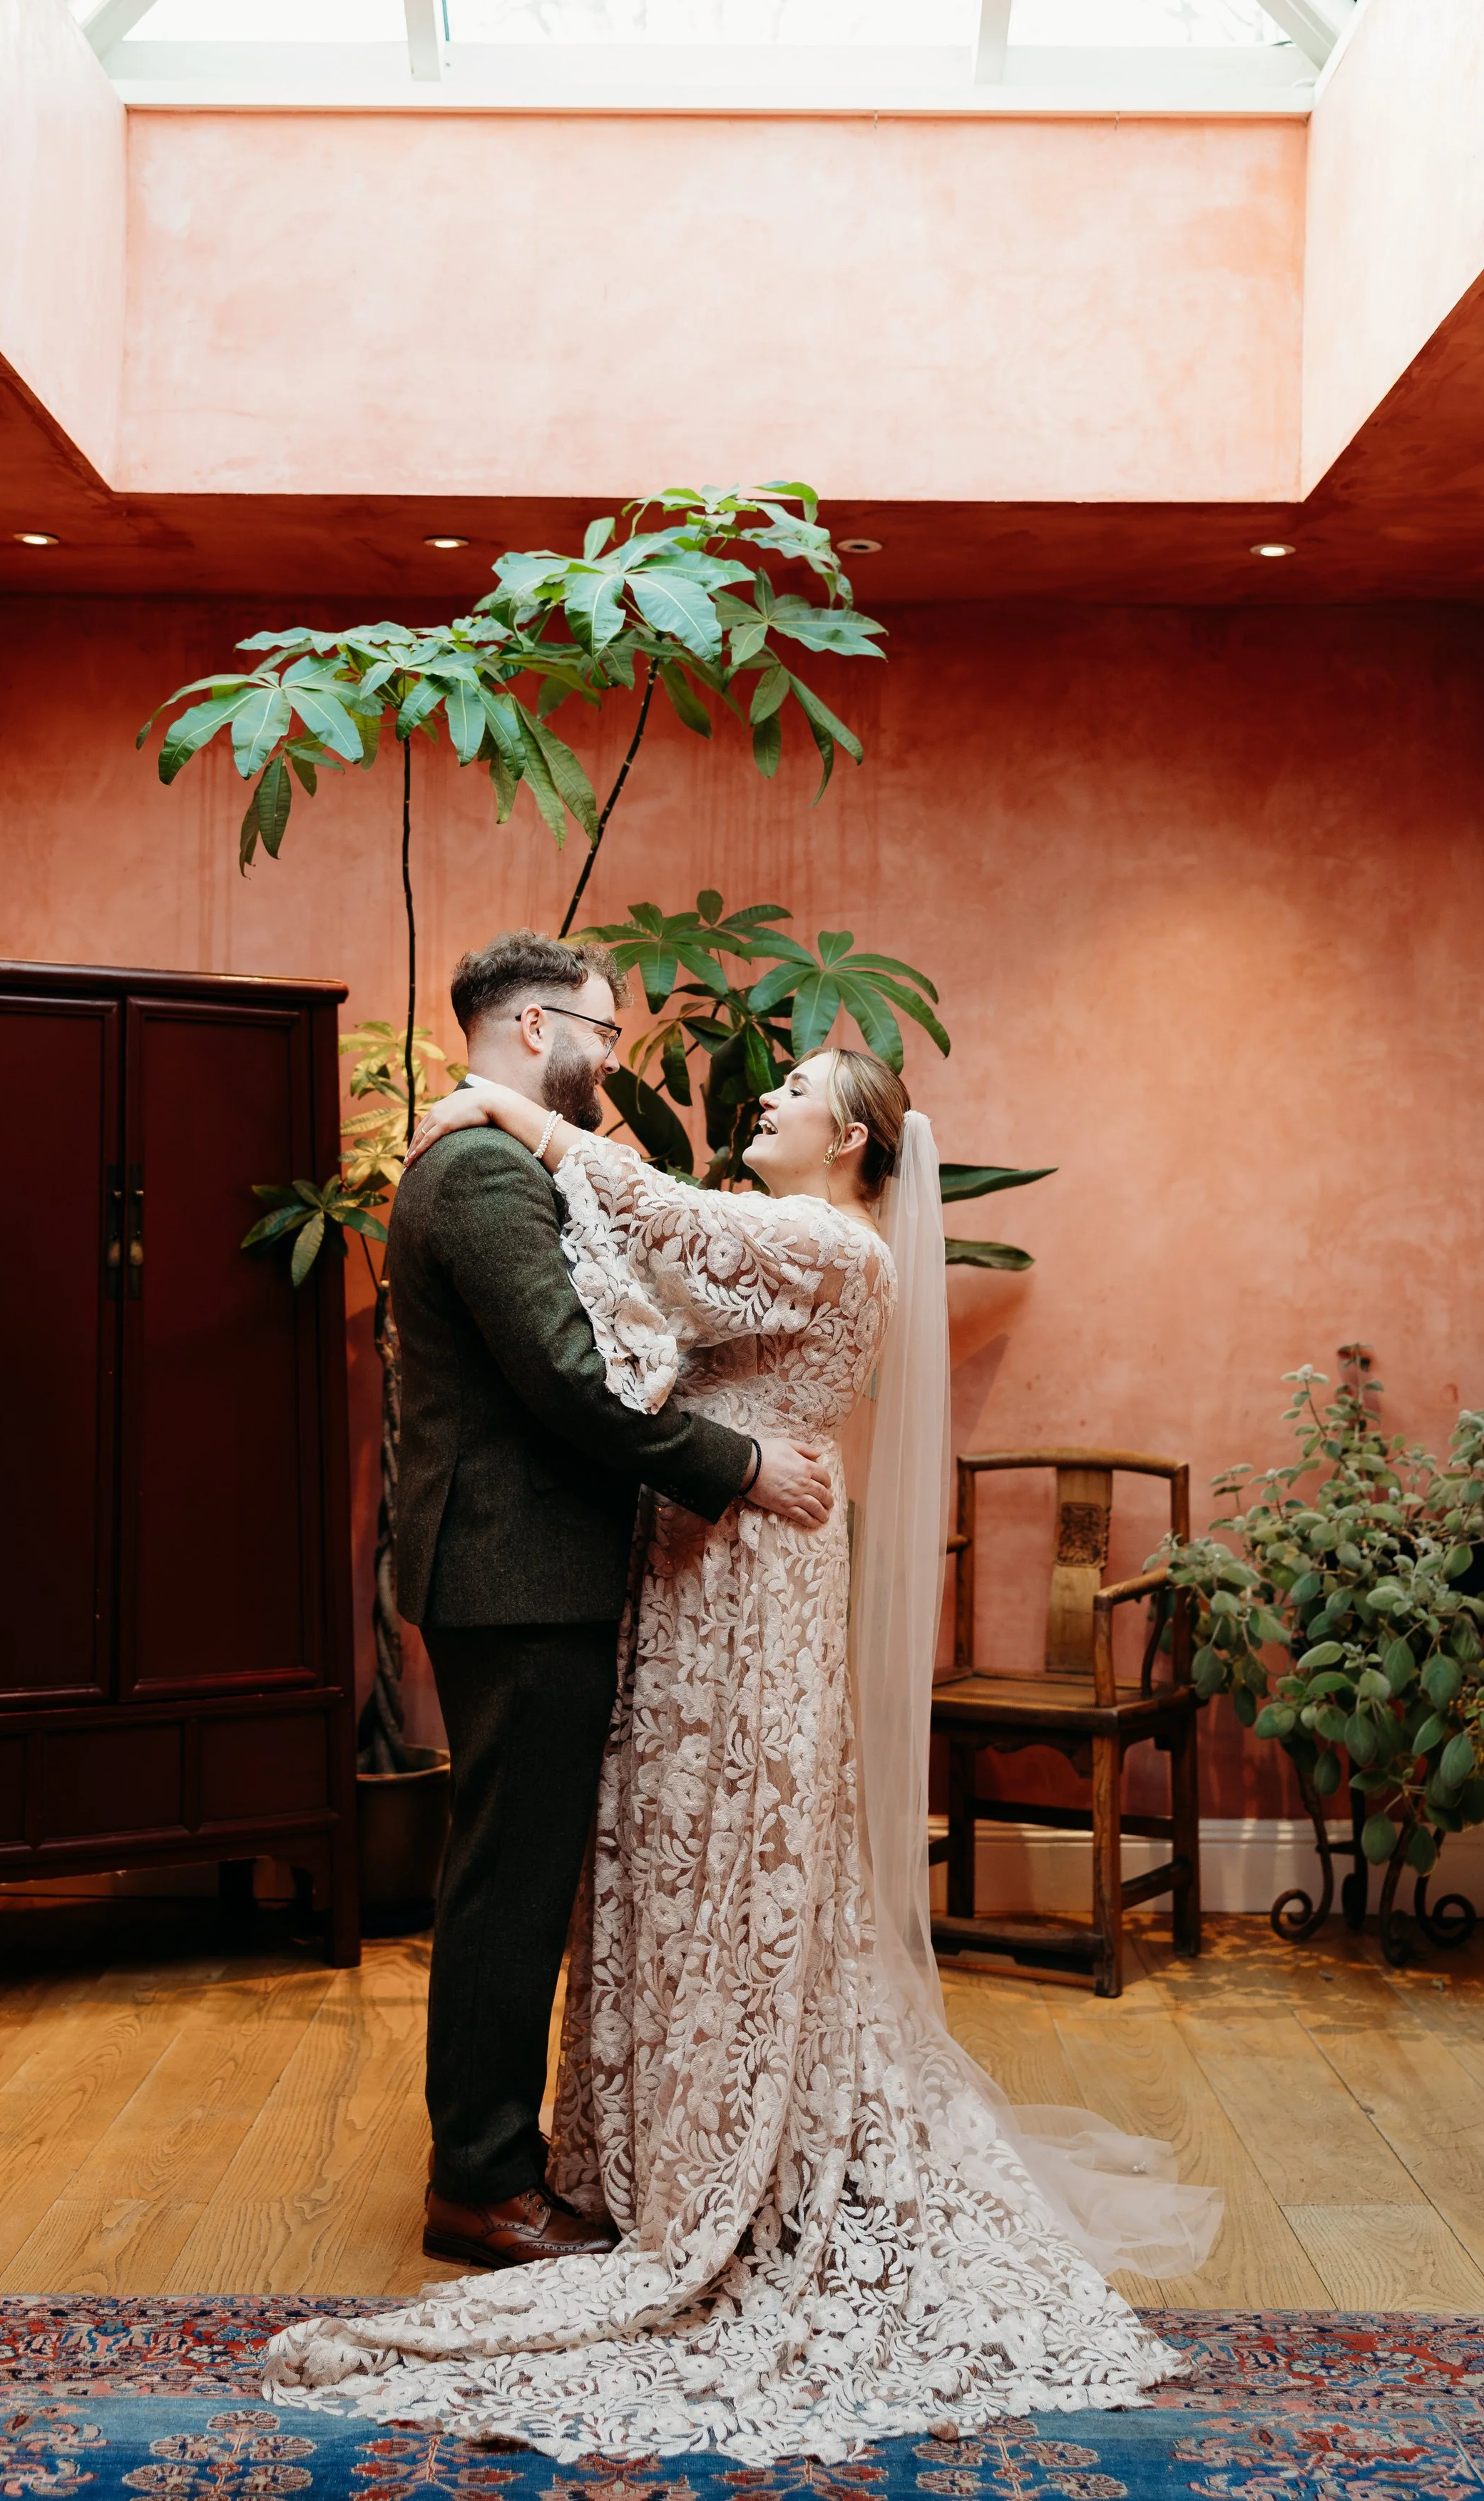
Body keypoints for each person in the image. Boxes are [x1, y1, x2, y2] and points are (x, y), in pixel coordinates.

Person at [266, 1036, 1221, 2462]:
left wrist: (505, 1109)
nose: (763, 1100)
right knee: (667, 1842)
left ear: (848, 1144)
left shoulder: (829, 1247)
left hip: (747, 1576)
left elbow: (661, 1225)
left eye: (793, 1093)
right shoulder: (790, 1237)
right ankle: (652, 2137)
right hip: (695, 1561)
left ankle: (734, 2142)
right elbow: (630, 1278)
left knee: (736, 1840)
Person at [381, 931, 838, 2276]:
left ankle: (498, 2166)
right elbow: (575, 1388)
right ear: (535, 1030)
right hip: (512, 1573)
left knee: (518, 1876)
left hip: (530, 1569)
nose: (614, 1055)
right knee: (507, 1886)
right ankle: (477, 2185)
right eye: (604, 1031)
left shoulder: (504, 1155)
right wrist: (742, 1464)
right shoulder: (474, 1179)